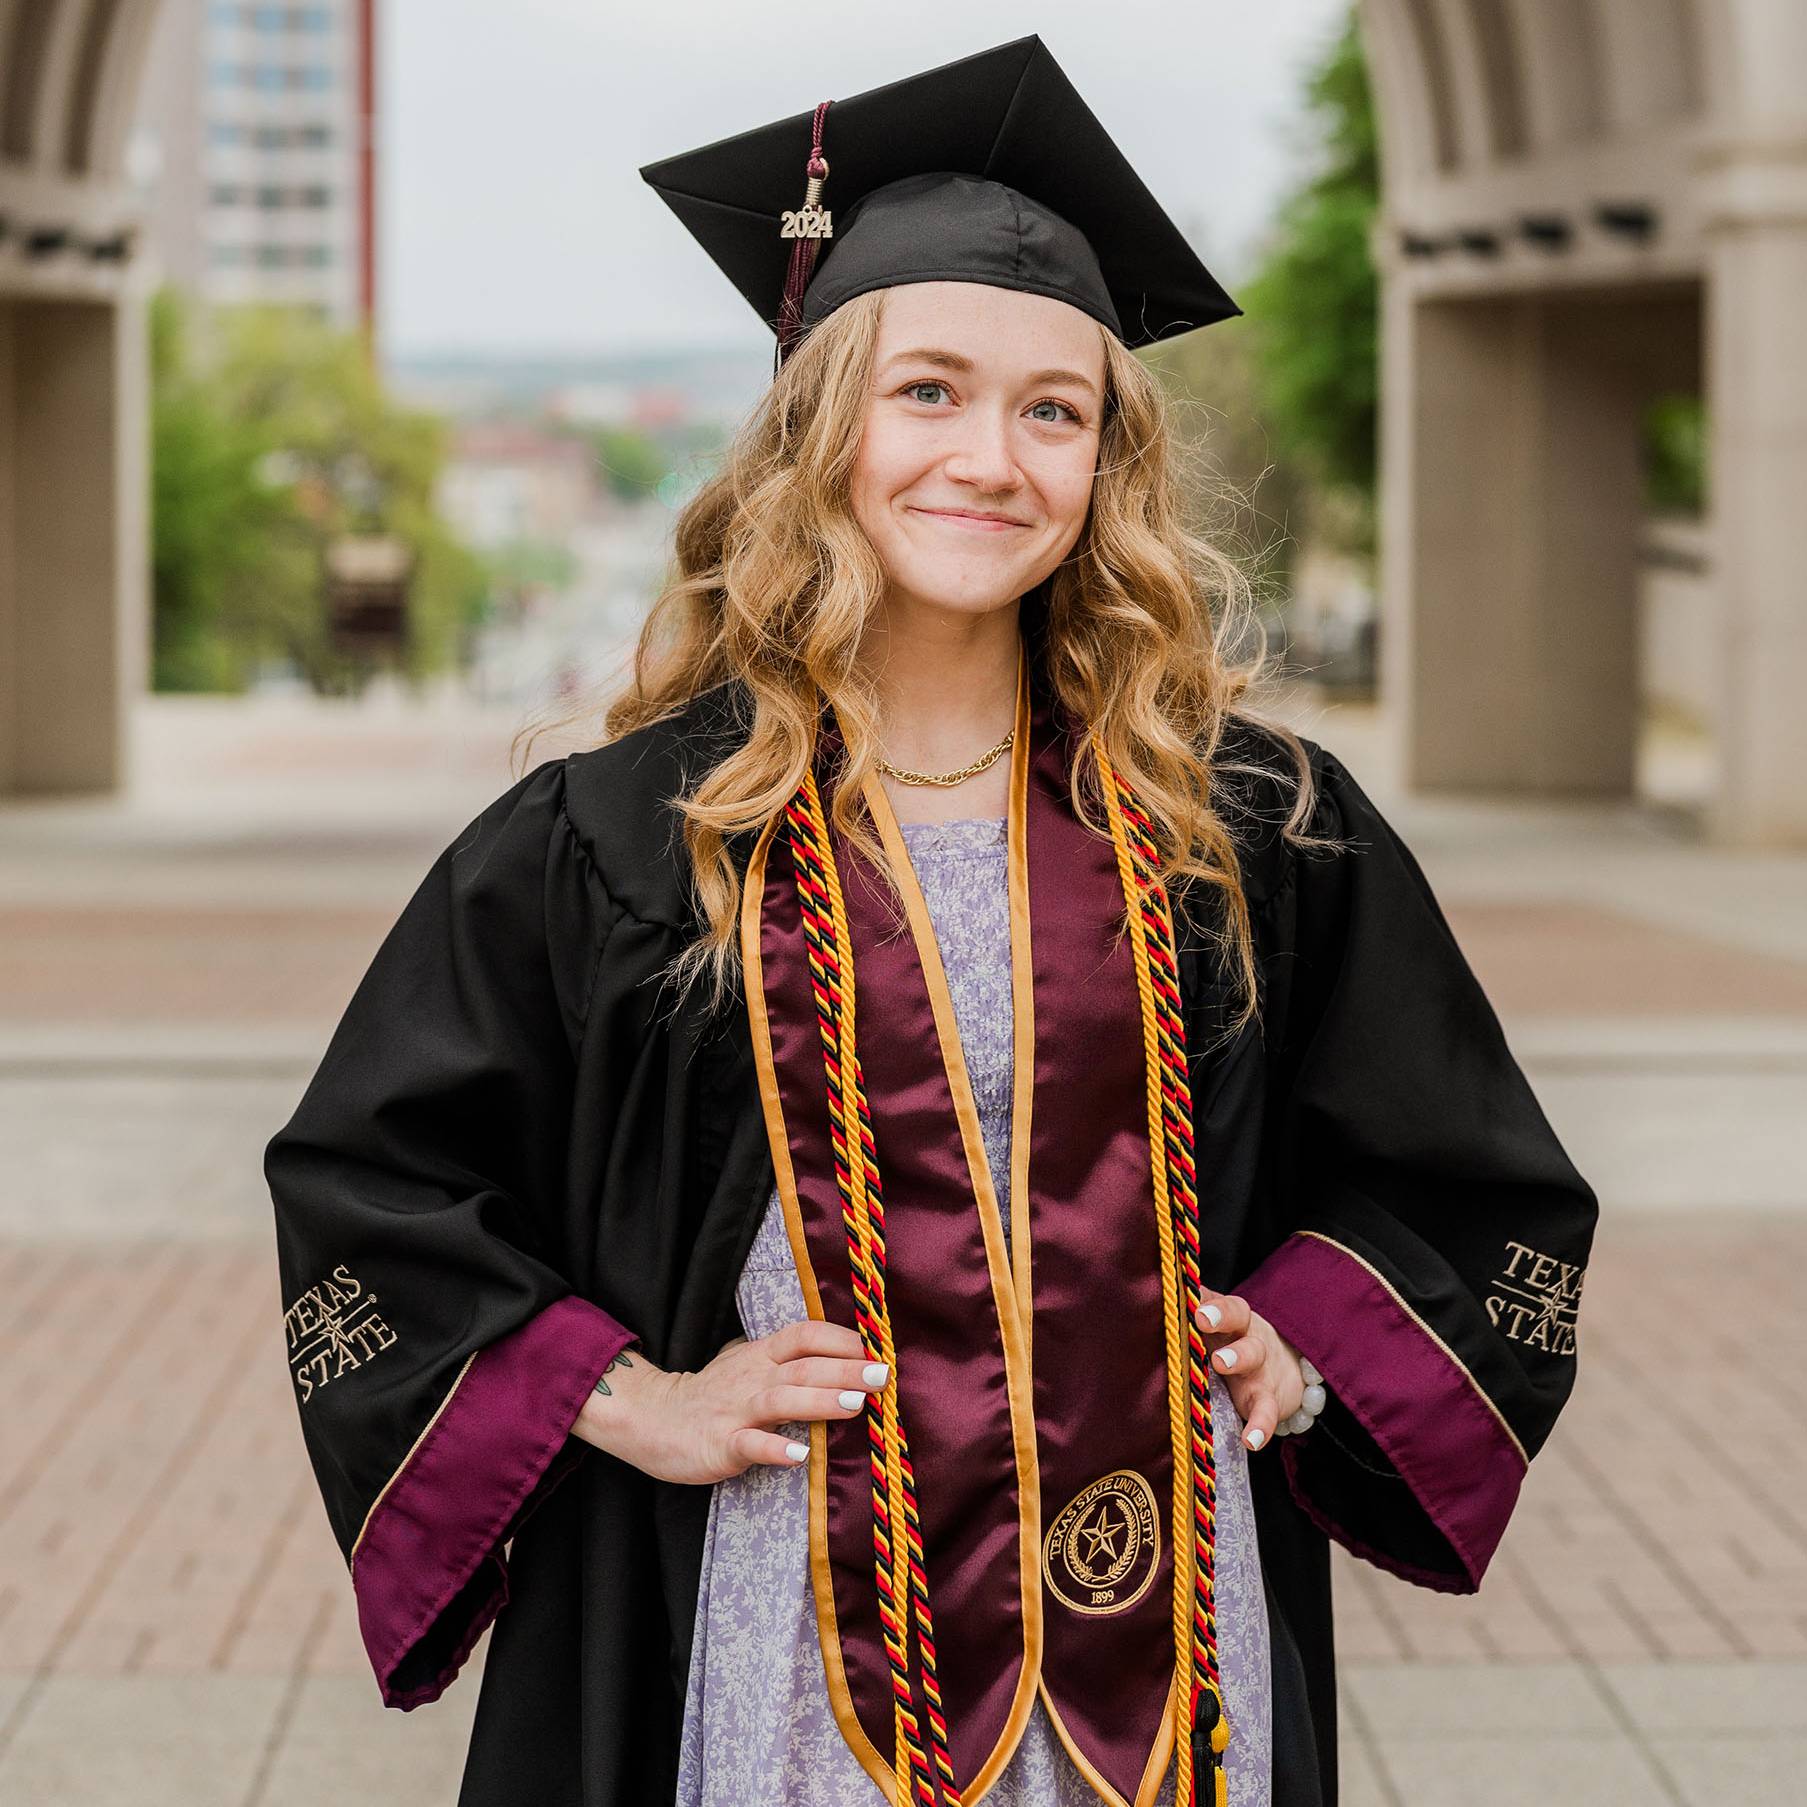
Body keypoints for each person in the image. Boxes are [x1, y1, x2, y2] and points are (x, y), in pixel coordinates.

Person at [265, 34, 1598, 1807]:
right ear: (821, 432)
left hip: (1166, 1628)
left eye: (1056, 409)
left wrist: (1312, 1335)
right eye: (930, 393)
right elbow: (371, 1190)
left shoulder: (1253, 833)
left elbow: (1469, 1180)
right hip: (775, 1615)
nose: (992, 457)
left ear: (1106, 464)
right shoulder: (628, 843)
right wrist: (627, 1394)